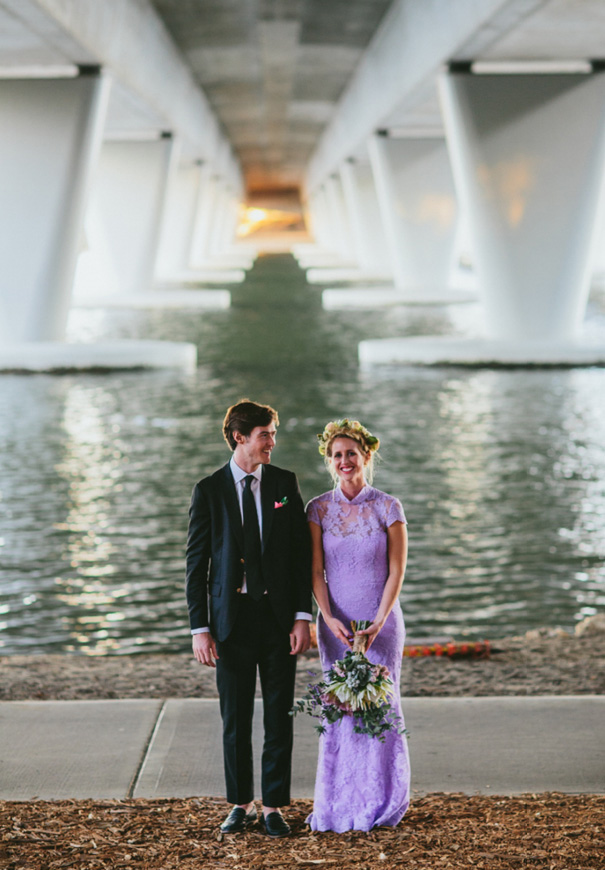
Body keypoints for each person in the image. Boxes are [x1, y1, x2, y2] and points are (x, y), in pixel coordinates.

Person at [186, 399, 312, 837]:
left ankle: (273, 806)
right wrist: (200, 629)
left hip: (278, 621)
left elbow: (300, 557)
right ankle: (240, 803)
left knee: (279, 716)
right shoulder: (209, 490)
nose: (272, 442)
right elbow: (196, 565)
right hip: (230, 624)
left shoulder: (283, 483)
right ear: (240, 437)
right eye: (265, 434)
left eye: (273, 434)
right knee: (235, 719)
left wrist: (302, 616)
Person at [306, 418, 410, 832]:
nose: (345, 461)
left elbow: (397, 572)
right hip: (336, 628)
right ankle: (338, 802)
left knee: (381, 707)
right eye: (337, 455)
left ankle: (382, 801)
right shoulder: (317, 509)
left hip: (380, 625)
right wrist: (328, 619)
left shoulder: (389, 507)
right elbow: (315, 571)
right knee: (342, 710)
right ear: (329, 462)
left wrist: (378, 623)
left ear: (366, 455)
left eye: (351, 453)